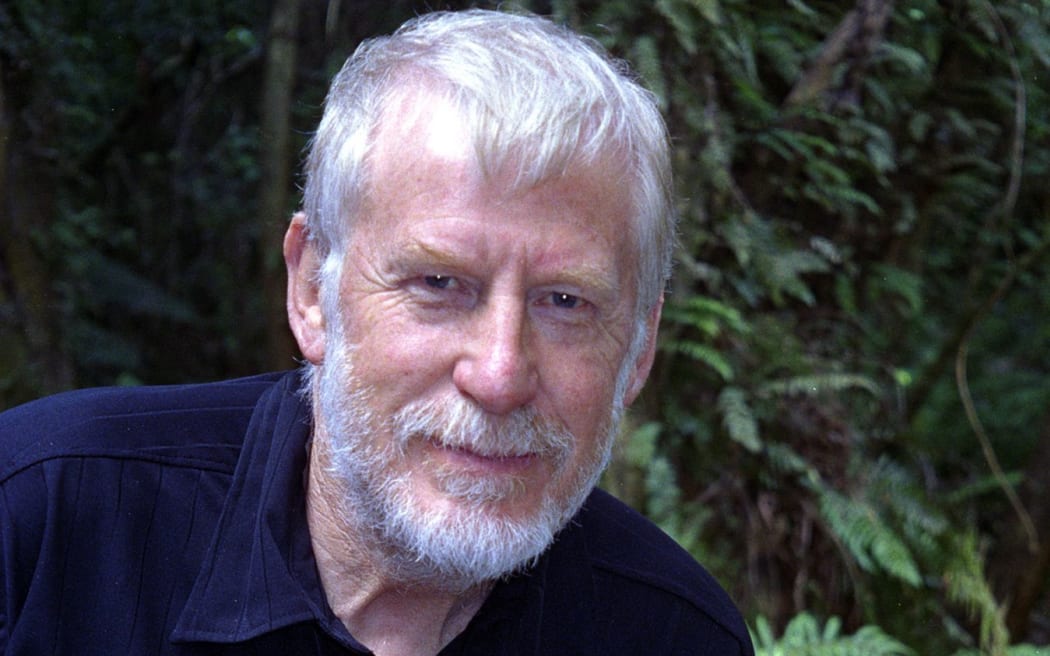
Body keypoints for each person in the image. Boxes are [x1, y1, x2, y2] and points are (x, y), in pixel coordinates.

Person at [0, 9, 753, 656]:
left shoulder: (674, 635)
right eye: (437, 285)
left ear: (640, 346)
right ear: (312, 292)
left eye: (564, 302)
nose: (498, 375)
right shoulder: (41, 522)